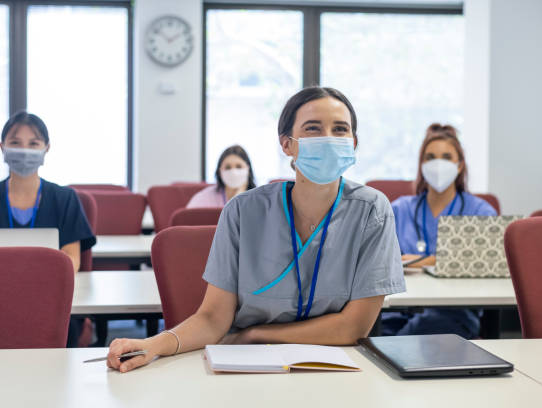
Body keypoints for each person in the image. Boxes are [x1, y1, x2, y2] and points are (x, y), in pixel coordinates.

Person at [107, 86, 406, 373]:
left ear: (353, 143)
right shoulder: (242, 211)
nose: (328, 138)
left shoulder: (372, 210)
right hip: (246, 365)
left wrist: (256, 335)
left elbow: (353, 327)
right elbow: (213, 318)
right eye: (313, 128)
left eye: (340, 129)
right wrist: (154, 344)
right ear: (287, 144)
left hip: (336, 366)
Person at [0, 111, 96, 346]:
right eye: (15, 143)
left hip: (48, 299)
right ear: (2, 147)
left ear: (46, 148)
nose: (24, 150)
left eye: (33, 143)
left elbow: (71, 260)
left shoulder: (65, 198)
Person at [382, 123, 497, 338]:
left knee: (424, 330)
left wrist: (420, 261)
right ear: (421, 165)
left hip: (452, 312)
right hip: (398, 308)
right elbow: (380, 261)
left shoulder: (480, 212)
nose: (438, 164)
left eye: (446, 157)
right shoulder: (399, 209)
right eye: (430, 157)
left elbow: (482, 264)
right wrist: (438, 260)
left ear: (460, 165)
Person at [186, 145, 256, 208]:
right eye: (228, 167)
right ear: (220, 171)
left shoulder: (258, 198)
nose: (233, 172)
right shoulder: (204, 198)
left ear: (248, 169)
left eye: (239, 166)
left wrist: (240, 195)